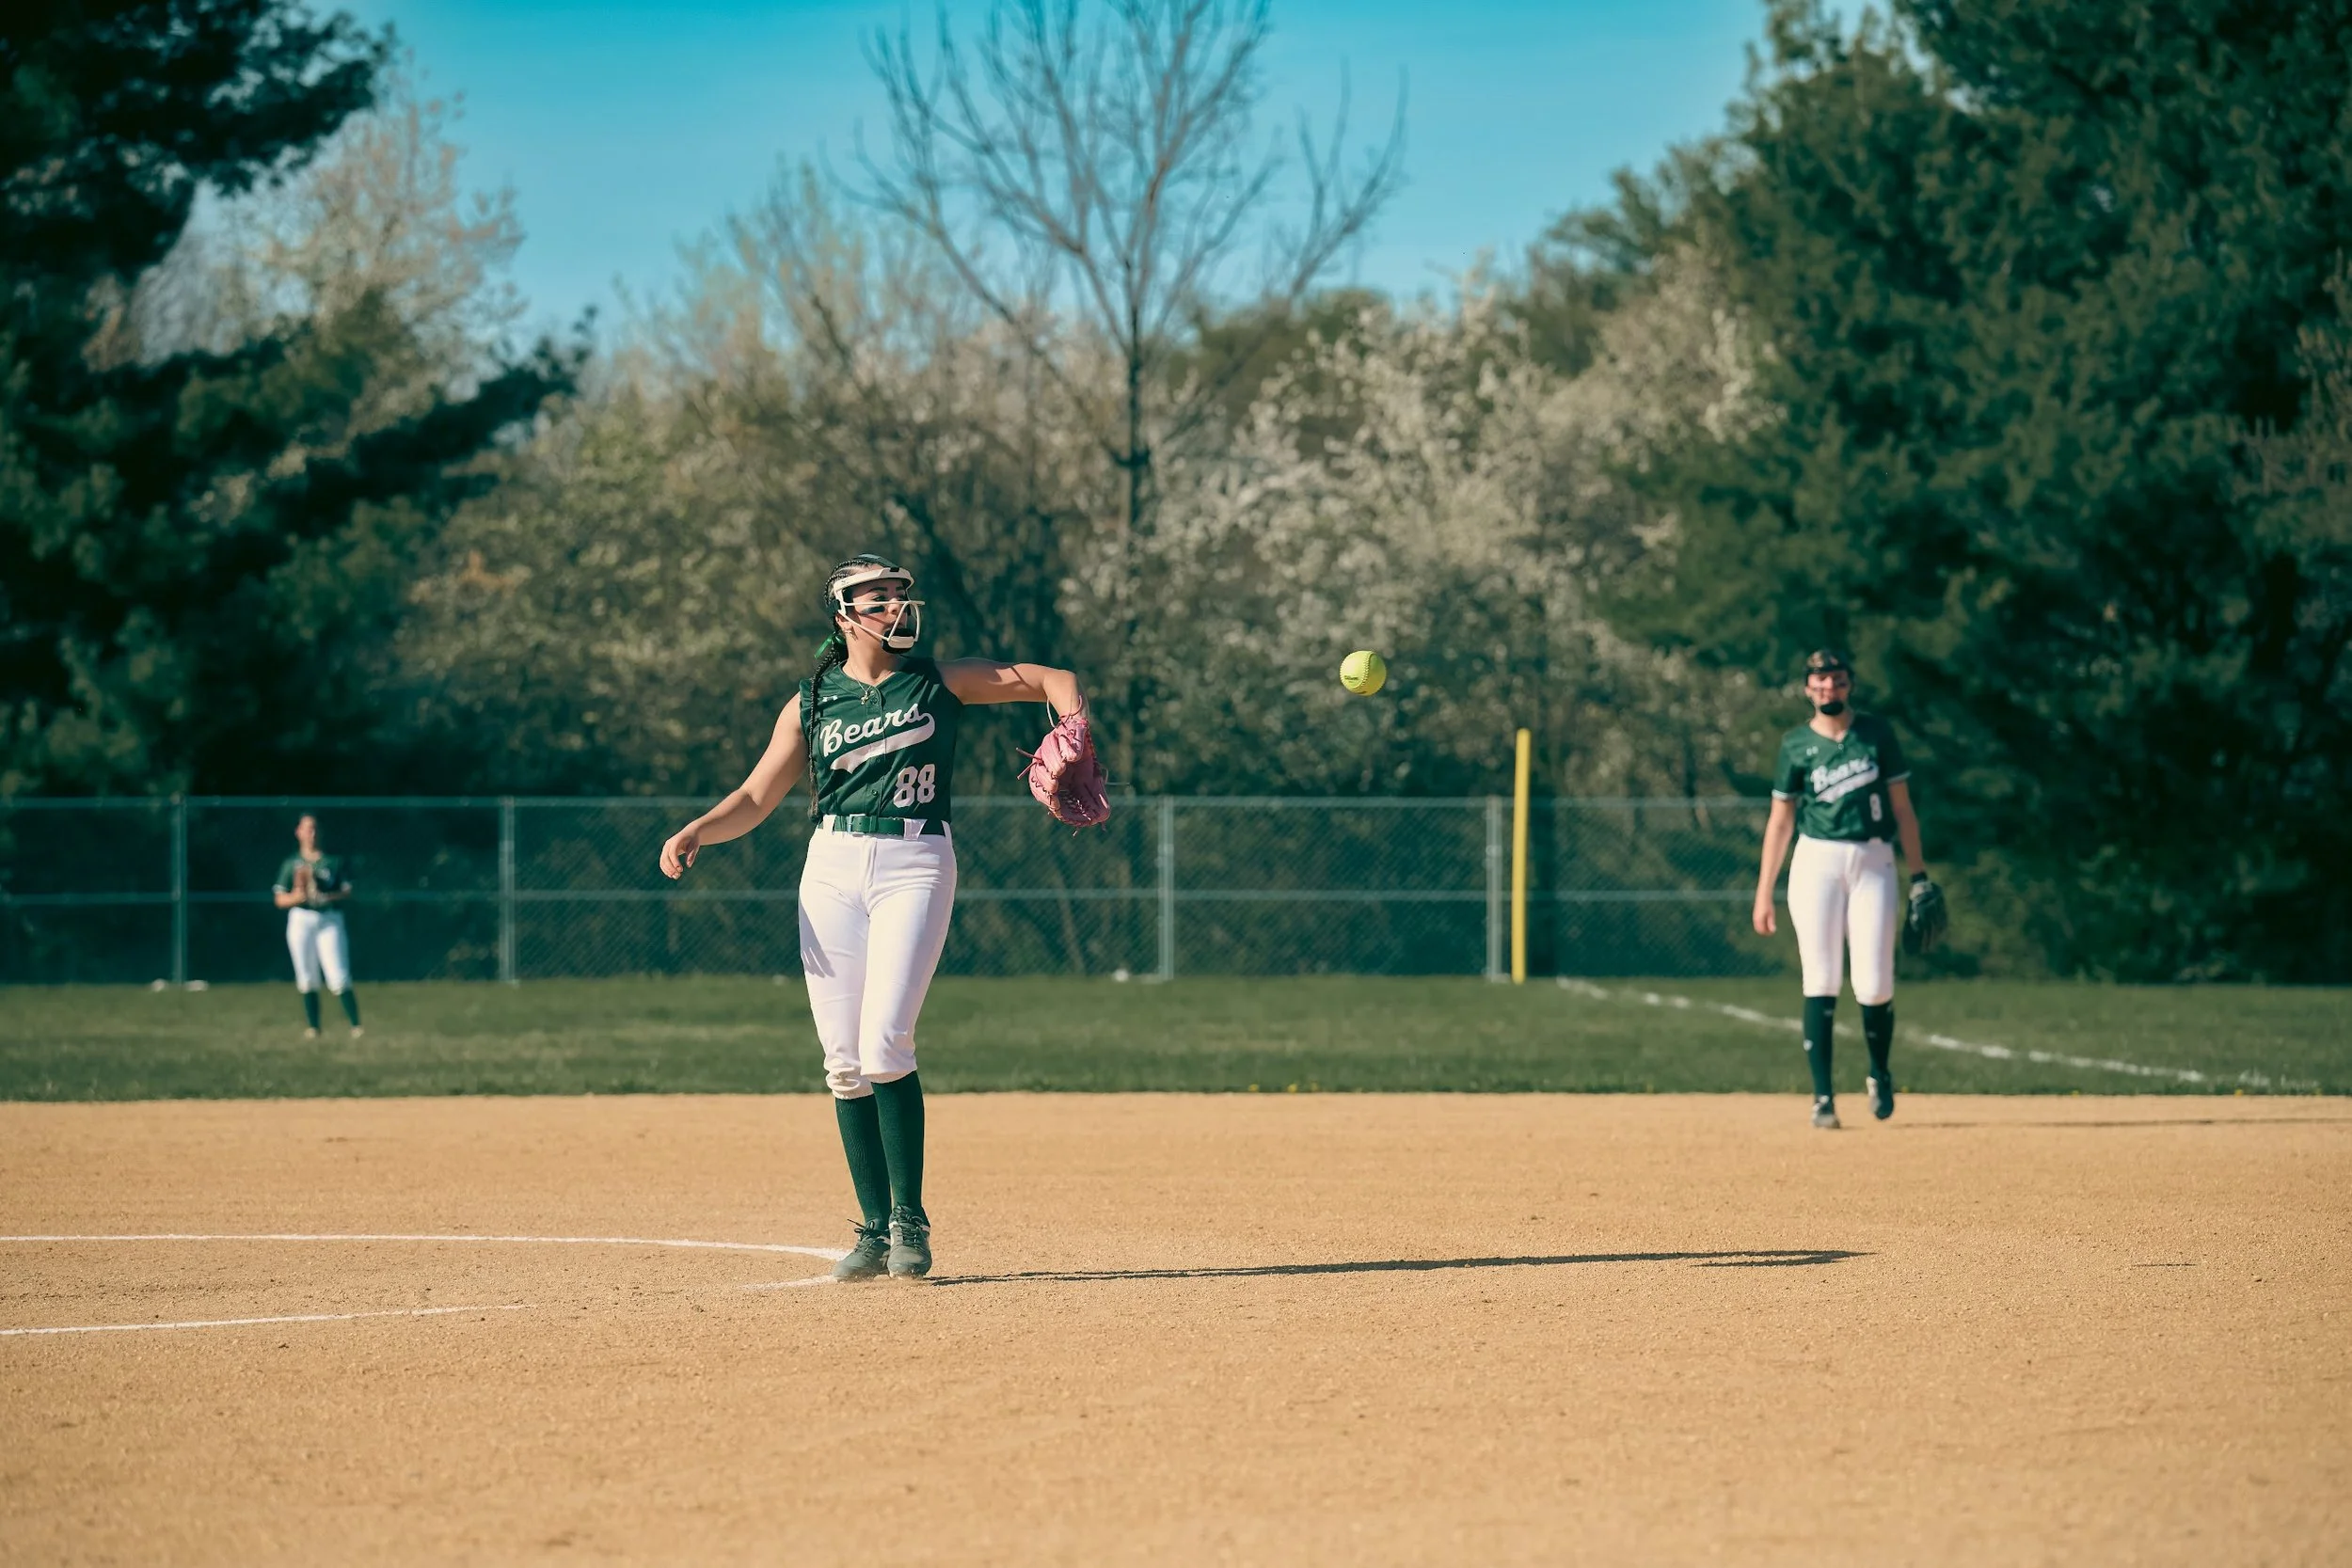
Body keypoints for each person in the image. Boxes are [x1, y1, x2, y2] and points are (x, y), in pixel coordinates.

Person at [659, 554, 1094, 1281]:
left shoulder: (939, 678)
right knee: (842, 1059)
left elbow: (1051, 678)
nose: (897, 606)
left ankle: (909, 1221)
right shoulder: (812, 700)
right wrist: (698, 828)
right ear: (844, 614)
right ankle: (870, 1228)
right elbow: (758, 795)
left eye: (900, 594)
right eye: (879, 596)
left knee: (887, 1041)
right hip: (830, 866)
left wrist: (1074, 724)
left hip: (915, 861)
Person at [1752, 651, 1931, 1129]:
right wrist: (1764, 889)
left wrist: (1919, 875)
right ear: (1807, 689)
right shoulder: (1795, 745)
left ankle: (1879, 1072)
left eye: (1836, 678)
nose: (1828, 687)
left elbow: (1903, 809)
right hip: (1817, 861)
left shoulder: (1876, 735)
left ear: (1849, 684)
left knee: (1874, 982)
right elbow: (1781, 819)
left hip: (1873, 858)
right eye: (1819, 680)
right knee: (1822, 978)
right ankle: (1823, 1097)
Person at [273, 813, 361, 1039]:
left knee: (338, 975)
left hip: (328, 919)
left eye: (314, 829)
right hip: (301, 919)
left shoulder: (332, 861)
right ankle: (314, 1027)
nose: (311, 834)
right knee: (306, 975)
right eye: (306, 829)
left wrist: (325, 897)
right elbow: (280, 899)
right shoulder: (292, 863)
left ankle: (356, 1025)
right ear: (298, 832)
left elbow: (347, 891)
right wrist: (299, 896)